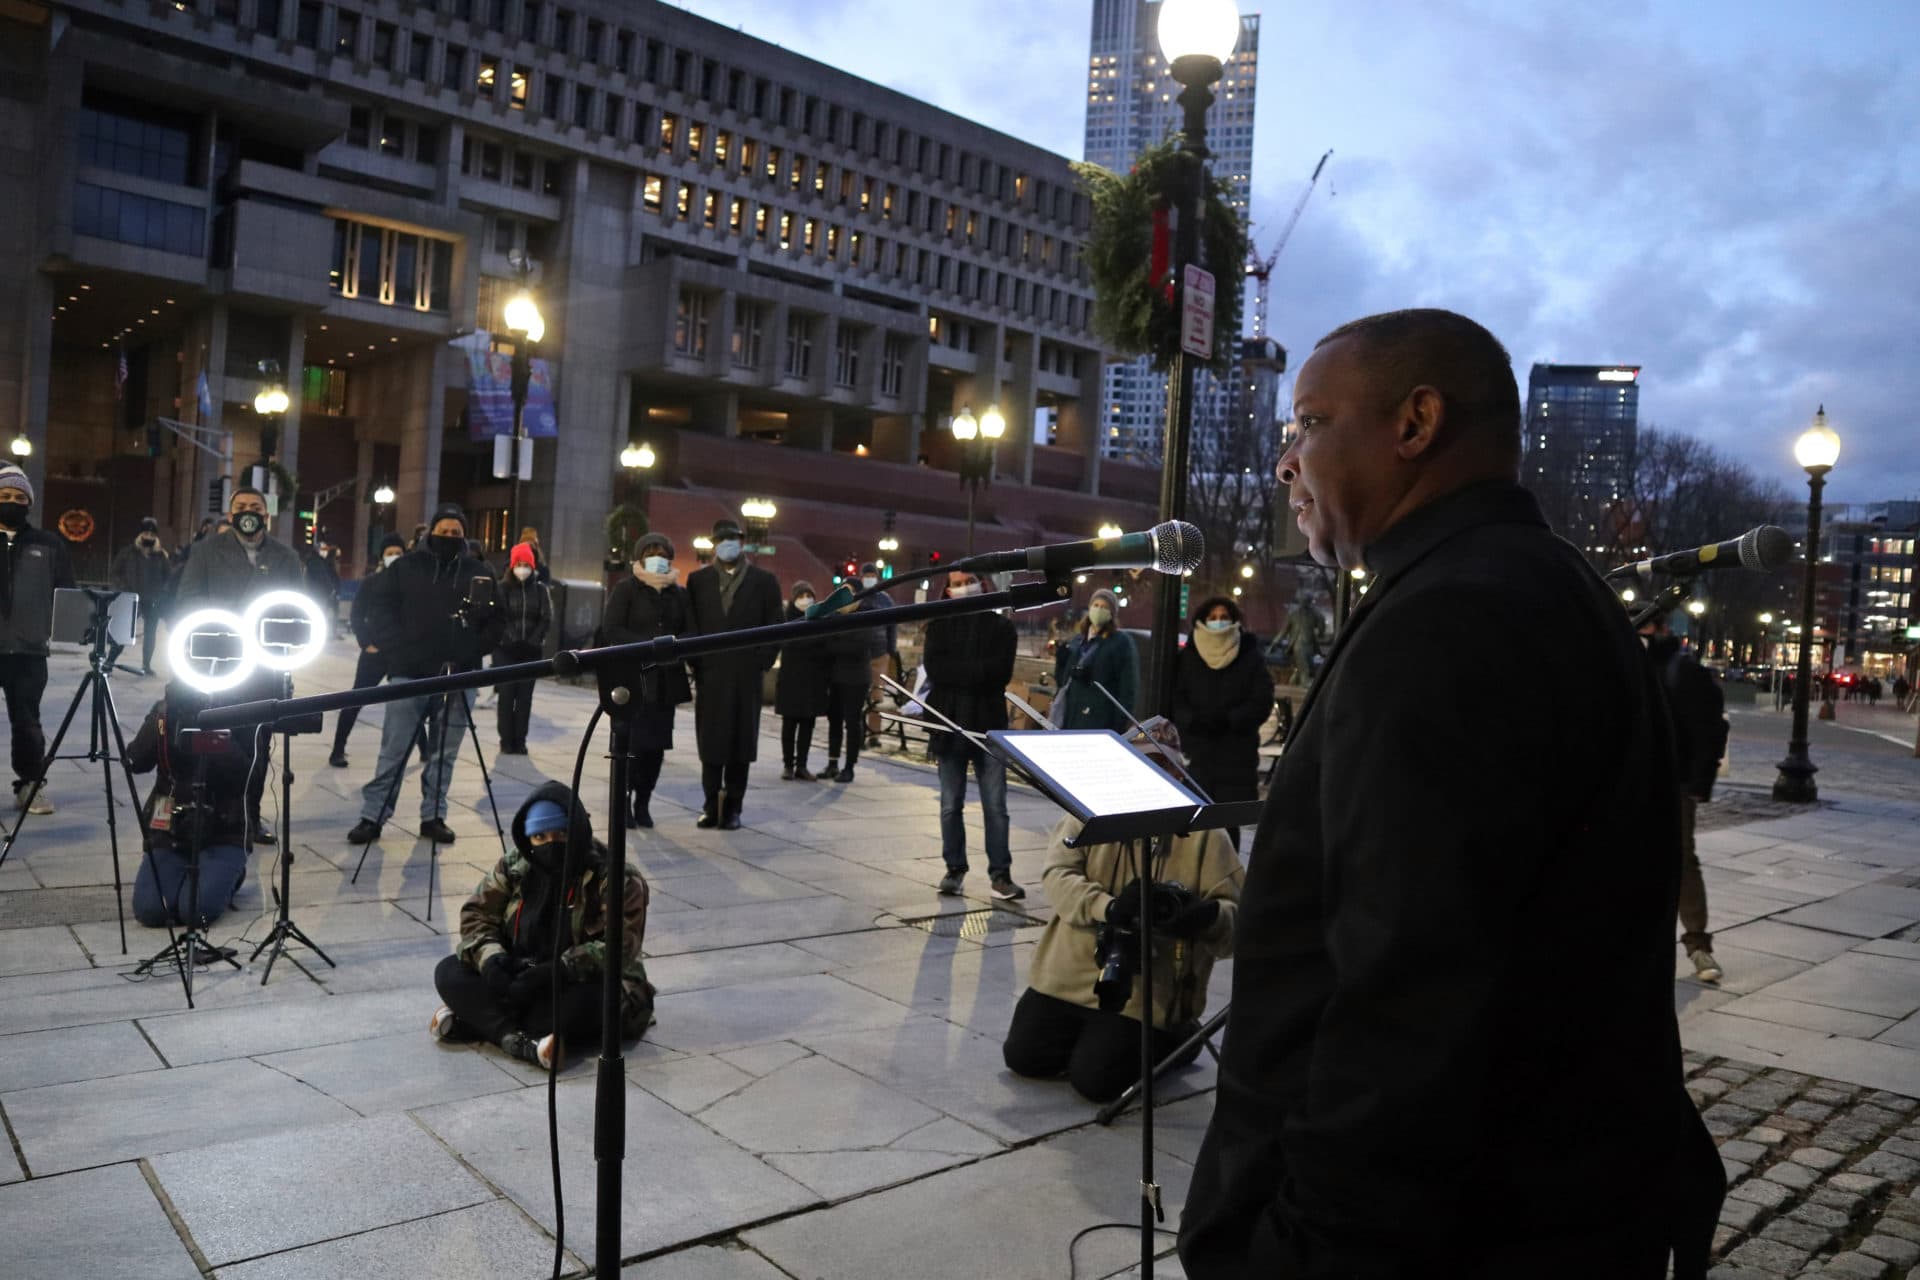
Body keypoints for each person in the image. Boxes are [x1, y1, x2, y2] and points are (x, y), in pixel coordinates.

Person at [1176, 309, 1722, 1278]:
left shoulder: (1445, 624)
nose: (1284, 463)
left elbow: (1404, 1012)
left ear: (1415, 422)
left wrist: (1300, 1250)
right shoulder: (1554, 587)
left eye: (1306, 423)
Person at [1002, 733, 1241, 1102]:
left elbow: (1238, 922)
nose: (1149, 775)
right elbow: (1057, 875)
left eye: (1160, 766)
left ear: (1178, 773)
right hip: (1072, 971)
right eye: (1139, 764)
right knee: (1024, 1057)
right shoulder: (1086, 813)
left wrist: (1202, 916)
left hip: (1149, 986)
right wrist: (1109, 908)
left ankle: (1180, 1037)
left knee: (1096, 1081)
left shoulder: (1207, 835)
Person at [432, 782, 655, 1069]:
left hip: (581, 980)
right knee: (449, 972)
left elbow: (620, 947)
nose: (551, 843)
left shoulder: (615, 876)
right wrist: (492, 960)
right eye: (539, 837)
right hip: (522, 967)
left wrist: (558, 970)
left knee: (583, 1007)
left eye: (561, 834)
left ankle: (483, 1022)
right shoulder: (516, 864)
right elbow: (477, 915)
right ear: (528, 839)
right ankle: (518, 1040)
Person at [347, 504, 503, 846]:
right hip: (409, 673)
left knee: (444, 753)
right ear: (431, 532)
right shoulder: (405, 567)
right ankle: (373, 815)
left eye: (456, 533)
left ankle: (433, 815)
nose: (449, 537)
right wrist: (396, 649)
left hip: (459, 676)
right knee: (395, 749)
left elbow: (497, 621)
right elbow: (380, 609)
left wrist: (471, 649)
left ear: (464, 537)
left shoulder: (478, 572)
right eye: (443, 531)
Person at [173, 486, 307, 847]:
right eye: (241, 507)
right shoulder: (205, 552)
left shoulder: (286, 557)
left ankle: (249, 814)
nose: (248, 512)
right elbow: (187, 599)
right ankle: (213, 812)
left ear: (267, 514)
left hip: (264, 669)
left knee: (257, 747)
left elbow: (299, 607)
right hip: (219, 665)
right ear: (230, 514)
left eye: (256, 507)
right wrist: (224, 624)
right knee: (217, 740)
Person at [923, 568, 1022, 900]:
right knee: (950, 803)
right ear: (948, 591)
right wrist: (976, 673)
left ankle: (1001, 874)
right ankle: (954, 868)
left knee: (996, 805)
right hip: (948, 722)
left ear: (983, 584)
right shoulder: (938, 626)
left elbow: (1000, 674)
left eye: (969, 581)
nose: (964, 587)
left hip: (988, 723)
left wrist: (962, 674)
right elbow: (936, 671)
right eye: (957, 583)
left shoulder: (1001, 627)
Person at [1645, 615, 1729, 984]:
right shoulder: (1625, 665)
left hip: (1675, 781)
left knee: (1681, 859)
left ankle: (1697, 944)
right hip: (1634, 779)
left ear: (1661, 629)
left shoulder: (1684, 670)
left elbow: (1711, 726)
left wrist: (1700, 780)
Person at [685, 517, 783, 829]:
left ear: (741, 542)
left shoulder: (764, 581)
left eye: (733, 538)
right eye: (722, 539)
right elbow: (690, 625)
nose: (727, 543)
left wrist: (761, 661)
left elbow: (775, 626)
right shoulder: (698, 581)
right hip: (711, 675)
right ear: (714, 544)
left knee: (741, 745)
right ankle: (711, 804)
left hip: (746, 676)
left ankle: (734, 808)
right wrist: (695, 660)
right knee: (711, 744)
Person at [125, 687, 249, 929]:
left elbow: (248, 776)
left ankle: (232, 875)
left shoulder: (239, 709)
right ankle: (188, 878)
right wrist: (161, 718)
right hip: (171, 830)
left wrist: (214, 727)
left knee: (196, 913)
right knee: (150, 911)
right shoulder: (166, 712)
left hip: (222, 831)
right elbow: (136, 761)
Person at [598, 533, 692, 827]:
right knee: (632, 747)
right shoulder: (627, 589)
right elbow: (611, 628)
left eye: (663, 553)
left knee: (656, 749)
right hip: (634, 680)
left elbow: (691, 631)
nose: (658, 557)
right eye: (651, 551)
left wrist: (674, 648)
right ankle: (623, 801)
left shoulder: (679, 594)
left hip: (666, 683)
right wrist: (649, 646)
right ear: (640, 557)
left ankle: (644, 801)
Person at [1170, 596, 1276, 848]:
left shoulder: (1250, 655)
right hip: (1196, 752)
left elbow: (1261, 699)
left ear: (1235, 621)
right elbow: (1175, 697)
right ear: (1202, 620)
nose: (1218, 622)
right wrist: (1192, 721)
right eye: (1213, 617)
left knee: (1228, 826)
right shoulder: (1188, 657)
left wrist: (1231, 720)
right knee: (1194, 825)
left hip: (1235, 753)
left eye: (1224, 617)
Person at [0, 465, 75, 816]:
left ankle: (30, 783)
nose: (12, 502)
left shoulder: (48, 544)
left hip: (28, 652)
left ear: (29, 503)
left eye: (19, 497)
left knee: (27, 722)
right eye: (5, 497)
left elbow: (66, 593)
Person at [330, 534, 405, 768]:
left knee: (406, 701)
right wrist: (366, 643)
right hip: (375, 651)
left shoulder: (409, 583)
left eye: (399, 553)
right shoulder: (372, 582)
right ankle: (338, 749)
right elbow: (356, 615)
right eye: (390, 552)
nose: (395, 556)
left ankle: (423, 749)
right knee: (356, 698)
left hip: (400, 652)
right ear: (382, 555)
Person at [494, 542, 553, 755]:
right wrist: (511, 639)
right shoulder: (502, 588)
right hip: (506, 651)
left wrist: (533, 640)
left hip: (531, 651)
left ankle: (520, 740)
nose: (522, 568)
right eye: (518, 564)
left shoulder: (540, 589)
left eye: (526, 564)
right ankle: (505, 740)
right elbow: (500, 617)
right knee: (507, 695)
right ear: (511, 565)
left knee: (524, 698)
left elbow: (546, 618)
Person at [1052, 587, 1138, 731]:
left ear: (1112, 613)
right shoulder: (1079, 640)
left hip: (1101, 720)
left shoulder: (1121, 642)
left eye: (1104, 607)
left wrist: (1120, 725)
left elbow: (1128, 688)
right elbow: (1064, 680)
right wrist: (1061, 659)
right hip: (1072, 717)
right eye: (1096, 605)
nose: (1099, 610)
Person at [774, 579, 831, 781]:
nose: (805, 600)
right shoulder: (786, 618)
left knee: (807, 725)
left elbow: (825, 646)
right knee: (789, 725)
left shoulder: (819, 619)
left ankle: (802, 765)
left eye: (809, 596)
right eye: (801, 596)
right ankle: (788, 765)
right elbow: (789, 644)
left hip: (812, 681)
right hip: (791, 679)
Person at [820, 596, 872, 784]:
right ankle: (832, 763)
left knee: (852, 722)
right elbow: (826, 644)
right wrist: (838, 645)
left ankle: (849, 766)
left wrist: (836, 645)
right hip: (836, 677)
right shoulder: (833, 617)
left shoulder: (866, 616)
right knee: (834, 719)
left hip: (856, 679)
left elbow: (858, 646)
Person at [110, 517, 171, 675]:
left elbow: (168, 577)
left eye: (152, 534)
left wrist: (161, 593)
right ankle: (109, 662)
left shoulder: (161, 556)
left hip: (152, 600)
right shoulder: (128, 553)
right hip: (132, 597)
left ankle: (146, 665)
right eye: (146, 533)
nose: (149, 537)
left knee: (150, 634)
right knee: (124, 632)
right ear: (140, 534)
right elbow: (116, 572)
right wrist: (123, 589)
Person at [856, 562, 896, 748]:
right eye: (867, 575)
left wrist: (890, 650)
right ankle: (859, 733)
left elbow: (892, 625)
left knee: (877, 696)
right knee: (859, 696)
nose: (870, 578)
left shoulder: (885, 599)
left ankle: (874, 734)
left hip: (880, 654)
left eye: (873, 575)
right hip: (859, 653)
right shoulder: (856, 598)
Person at [303, 534, 341, 636]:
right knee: (319, 614)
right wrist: (331, 590)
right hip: (318, 594)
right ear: (317, 549)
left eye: (326, 549)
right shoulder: (316, 562)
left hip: (318, 594)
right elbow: (323, 578)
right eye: (323, 549)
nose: (325, 551)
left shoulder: (320, 561)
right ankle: (317, 634)